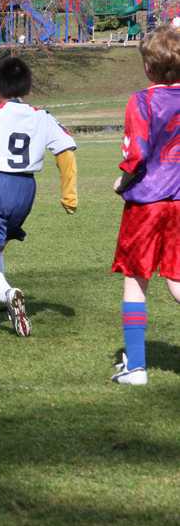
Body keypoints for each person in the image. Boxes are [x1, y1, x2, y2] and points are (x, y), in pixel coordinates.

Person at [0, 57, 77, 336]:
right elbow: (66, 150)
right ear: (28, 87)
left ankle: (8, 294)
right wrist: (69, 193)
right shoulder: (42, 116)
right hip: (25, 190)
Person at [110, 24, 180, 386]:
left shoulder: (142, 101)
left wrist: (122, 181)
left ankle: (136, 367)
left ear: (149, 67)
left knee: (136, 280)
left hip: (147, 204)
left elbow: (136, 155)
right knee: (177, 281)